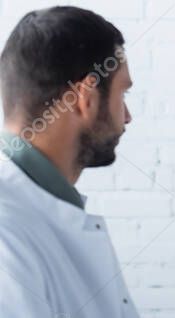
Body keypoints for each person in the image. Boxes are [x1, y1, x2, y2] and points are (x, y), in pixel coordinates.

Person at [0, 6, 137, 317]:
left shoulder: (43, 209)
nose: (127, 117)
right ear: (85, 98)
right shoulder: (7, 234)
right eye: (122, 94)